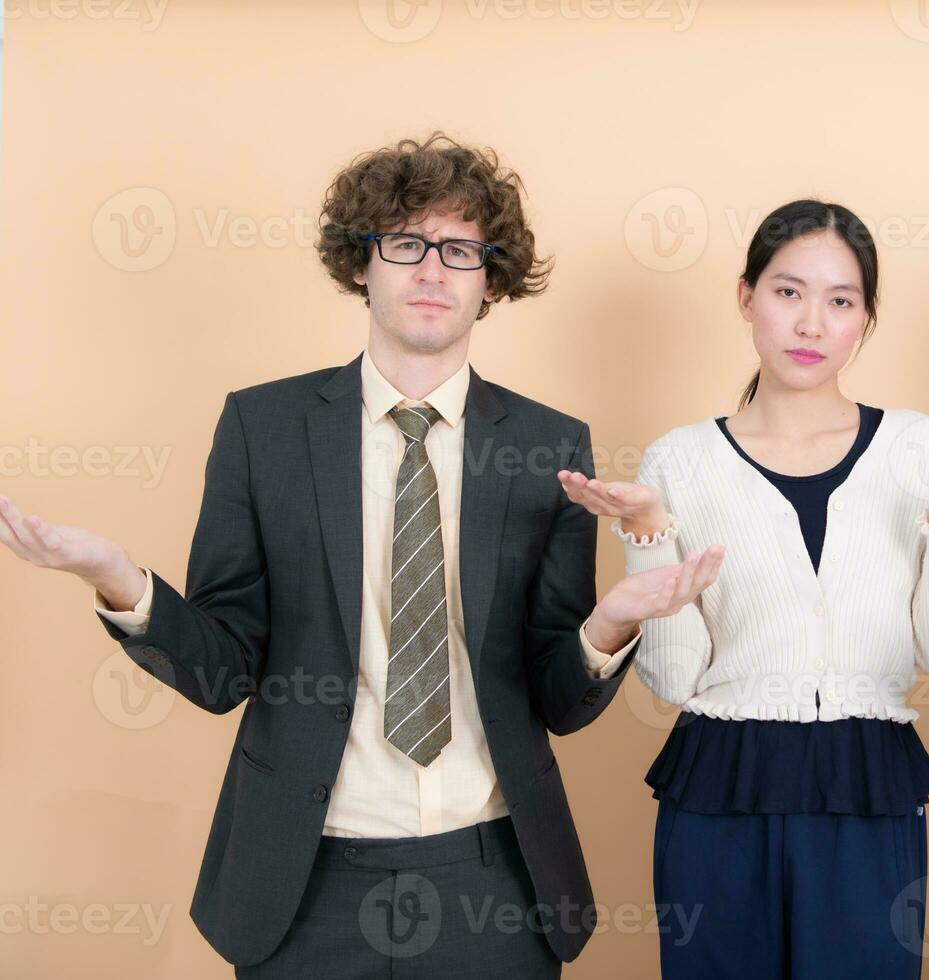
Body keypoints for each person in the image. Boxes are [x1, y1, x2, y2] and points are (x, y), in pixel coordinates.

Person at [0, 133, 722, 977]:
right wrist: (118, 581)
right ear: (360, 264)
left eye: (461, 250)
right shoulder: (262, 430)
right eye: (405, 244)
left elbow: (557, 700)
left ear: (491, 279)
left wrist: (609, 624)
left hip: (495, 880)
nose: (432, 271)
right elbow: (223, 671)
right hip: (304, 881)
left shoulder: (546, 444)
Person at [558, 199, 929, 978]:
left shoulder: (921, 448)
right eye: (788, 293)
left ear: (864, 320)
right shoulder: (679, 463)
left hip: (867, 780)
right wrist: (645, 538)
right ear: (745, 298)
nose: (811, 324)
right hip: (718, 783)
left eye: (839, 301)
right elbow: (675, 677)